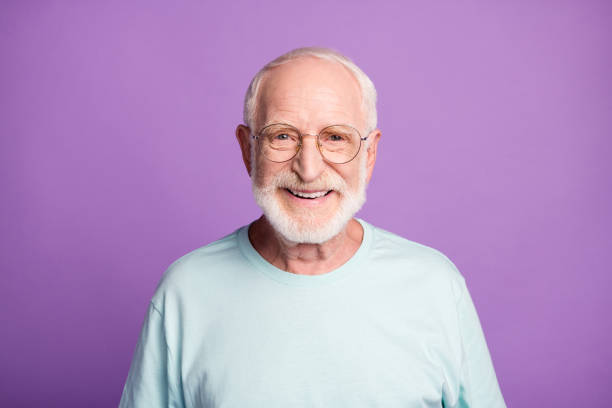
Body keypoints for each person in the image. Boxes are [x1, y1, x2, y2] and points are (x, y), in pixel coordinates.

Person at [119, 47, 506, 407]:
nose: (308, 168)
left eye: (335, 138)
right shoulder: (185, 292)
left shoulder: (435, 285)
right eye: (282, 136)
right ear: (247, 150)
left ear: (369, 154)